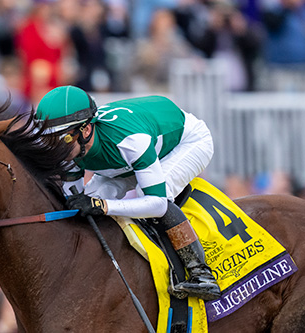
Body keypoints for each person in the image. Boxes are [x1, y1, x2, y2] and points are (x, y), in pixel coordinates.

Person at [34, 85, 221, 301]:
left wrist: (103, 206)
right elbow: (73, 200)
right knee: (87, 201)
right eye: (49, 140)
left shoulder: (130, 141)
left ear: (85, 130)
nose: (54, 149)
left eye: (62, 140)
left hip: (187, 142)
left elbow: (157, 204)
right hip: (125, 158)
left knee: (148, 196)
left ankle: (201, 273)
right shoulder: (73, 145)